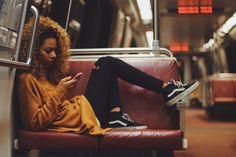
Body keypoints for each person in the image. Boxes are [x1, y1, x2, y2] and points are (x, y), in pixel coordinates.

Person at [17, 16, 199, 135]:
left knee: (105, 65)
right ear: (33, 51)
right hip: (82, 117)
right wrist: (60, 91)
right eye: (48, 51)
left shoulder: (46, 75)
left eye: (56, 50)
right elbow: (34, 123)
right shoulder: (27, 80)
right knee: (106, 63)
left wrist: (62, 91)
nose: (54, 56)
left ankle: (116, 115)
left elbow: (57, 110)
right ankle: (166, 88)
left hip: (82, 113)